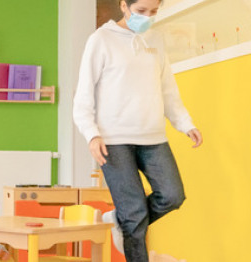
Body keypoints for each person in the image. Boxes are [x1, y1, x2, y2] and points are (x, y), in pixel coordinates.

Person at [72, 0, 204, 261]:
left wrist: (185, 123)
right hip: (113, 140)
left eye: (153, 12)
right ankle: (127, 219)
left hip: (152, 137)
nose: (147, 17)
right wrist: (92, 134)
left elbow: (167, 88)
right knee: (134, 214)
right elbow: (83, 95)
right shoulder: (101, 40)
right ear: (124, 6)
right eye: (141, 11)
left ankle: (119, 220)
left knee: (172, 195)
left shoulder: (155, 39)